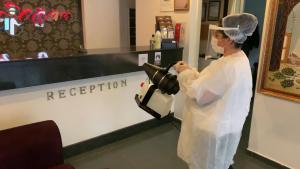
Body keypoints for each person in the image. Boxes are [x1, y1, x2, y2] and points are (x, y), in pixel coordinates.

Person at [173, 13, 258, 169]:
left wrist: (184, 73)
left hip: (212, 128)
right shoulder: (241, 59)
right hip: (230, 126)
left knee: (207, 164)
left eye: (218, 35)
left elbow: (198, 94)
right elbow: (213, 86)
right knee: (221, 162)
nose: (215, 39)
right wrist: (192, 71)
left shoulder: (225, 66)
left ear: (230, 39)